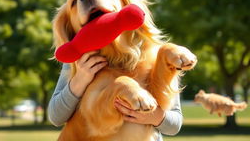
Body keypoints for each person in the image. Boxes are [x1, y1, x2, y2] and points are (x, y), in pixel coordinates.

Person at [48, 51, 183, 140]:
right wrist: (80, 79)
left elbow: (175, 125)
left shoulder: (155, 53)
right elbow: (56, 117)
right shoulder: (80, 57)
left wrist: (156, 117)